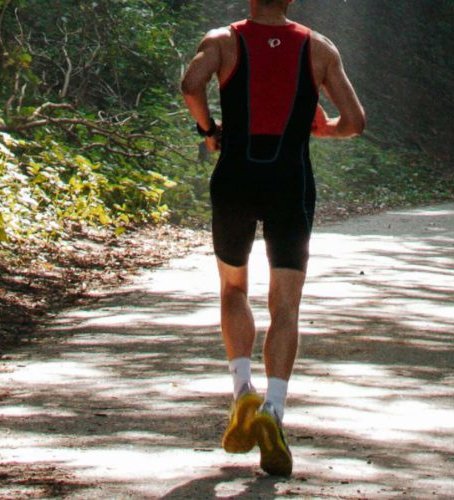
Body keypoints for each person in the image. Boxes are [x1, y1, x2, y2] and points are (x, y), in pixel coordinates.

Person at [180, 0, 365, 477]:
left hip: (235, 180)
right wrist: (324, 132)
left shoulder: (223, 40)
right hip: (291, 184)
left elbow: (190, 85)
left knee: (234, 288)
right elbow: (355, 122)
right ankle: (273, 412)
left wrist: (208, 129)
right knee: (285, 307)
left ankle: (243, 394)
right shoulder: (318, 49)